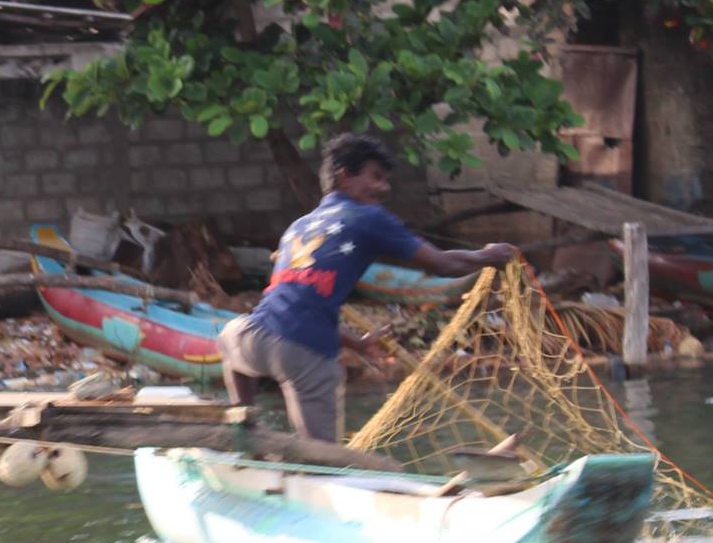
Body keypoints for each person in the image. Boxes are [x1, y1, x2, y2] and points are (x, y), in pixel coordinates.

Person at [219, 133, 517, 442]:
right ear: (344, 176)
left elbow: (295, 307)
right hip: (301, 354)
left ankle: (245, 436)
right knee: (322, 458)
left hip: (244, 337)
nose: (384, 188)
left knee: (233, 354)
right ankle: (299, 468)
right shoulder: (368, 217)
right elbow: (443, 265)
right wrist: (489, 255)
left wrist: (356, 344)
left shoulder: (299, 225)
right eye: (375, 177)